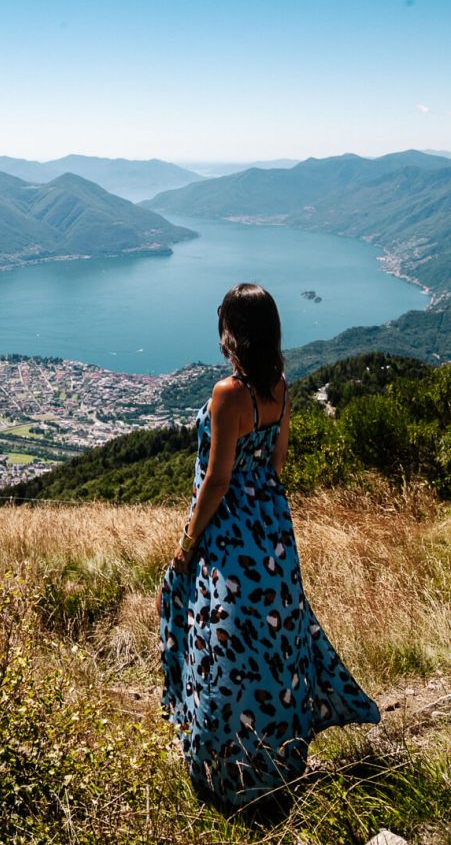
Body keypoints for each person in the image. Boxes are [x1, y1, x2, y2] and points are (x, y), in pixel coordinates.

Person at [159, 283, 380, 810]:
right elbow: (276, 464)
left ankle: (221, 769)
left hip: (229, 533)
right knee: (273, 645)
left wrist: (188, 543)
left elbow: (216, 480)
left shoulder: (227, 395)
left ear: (233, 332)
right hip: (274, 535)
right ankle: (277, 760)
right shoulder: (281, 386)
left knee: (217, 641)